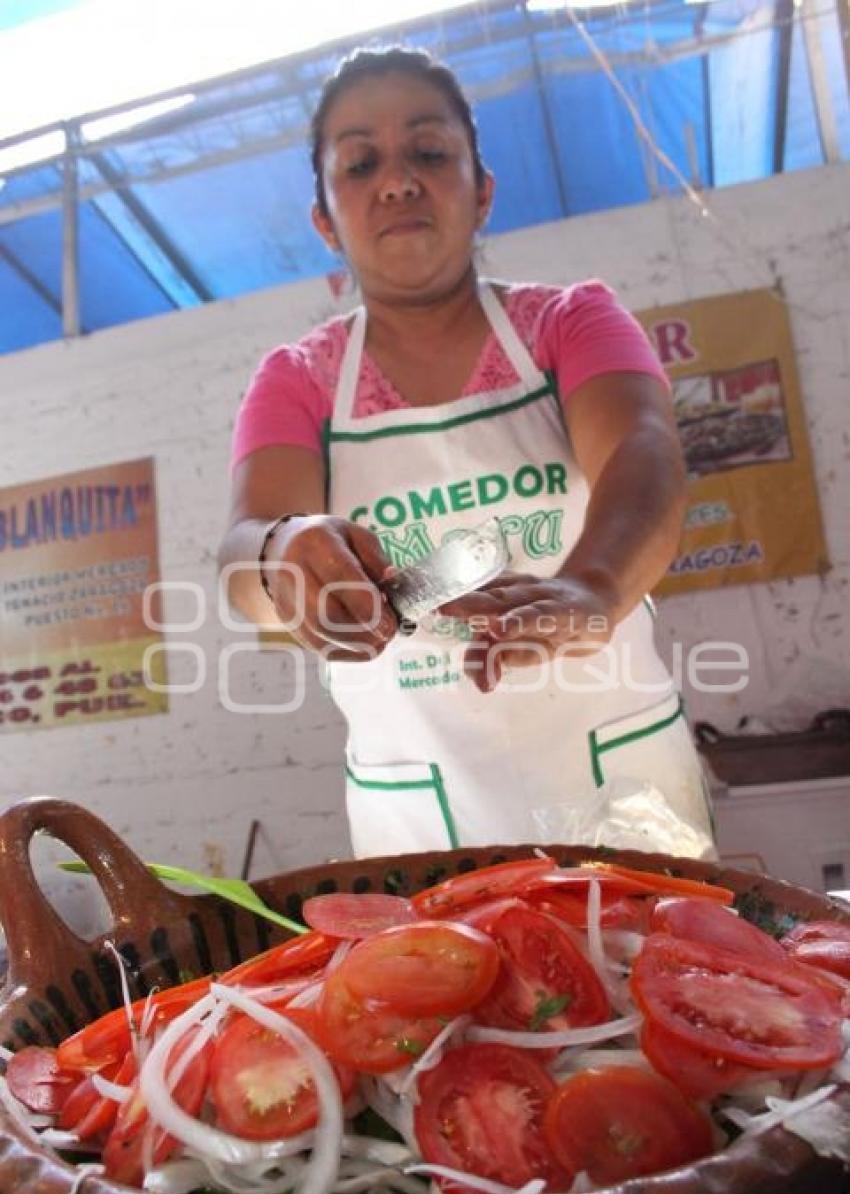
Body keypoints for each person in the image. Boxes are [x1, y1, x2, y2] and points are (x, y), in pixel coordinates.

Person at [219, 46, 714, 861]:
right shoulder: (297, 379)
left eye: (429, 152)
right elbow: (243, 551)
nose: (398, 181)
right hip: (416, 810)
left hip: (621, 780)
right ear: (324, 219)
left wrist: (589, 587)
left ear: (481, 191)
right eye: (360, 163)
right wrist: (280, 554)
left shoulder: (570, 323)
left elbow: (643, 450)